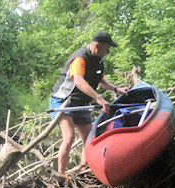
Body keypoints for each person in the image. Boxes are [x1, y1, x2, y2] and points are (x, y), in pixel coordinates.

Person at [49, 30, 129, 178]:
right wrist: (99, 98)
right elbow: (78, 81)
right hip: (63, 101)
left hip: (82, 103)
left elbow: (100, 80)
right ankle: (61, 174)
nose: (108, 51)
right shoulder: (79, 59)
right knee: (69, 137)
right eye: (107, 48)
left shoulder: (98, 61)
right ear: (97, 46)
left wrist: (116, 89)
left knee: (90, 138)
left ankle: (84, 169)